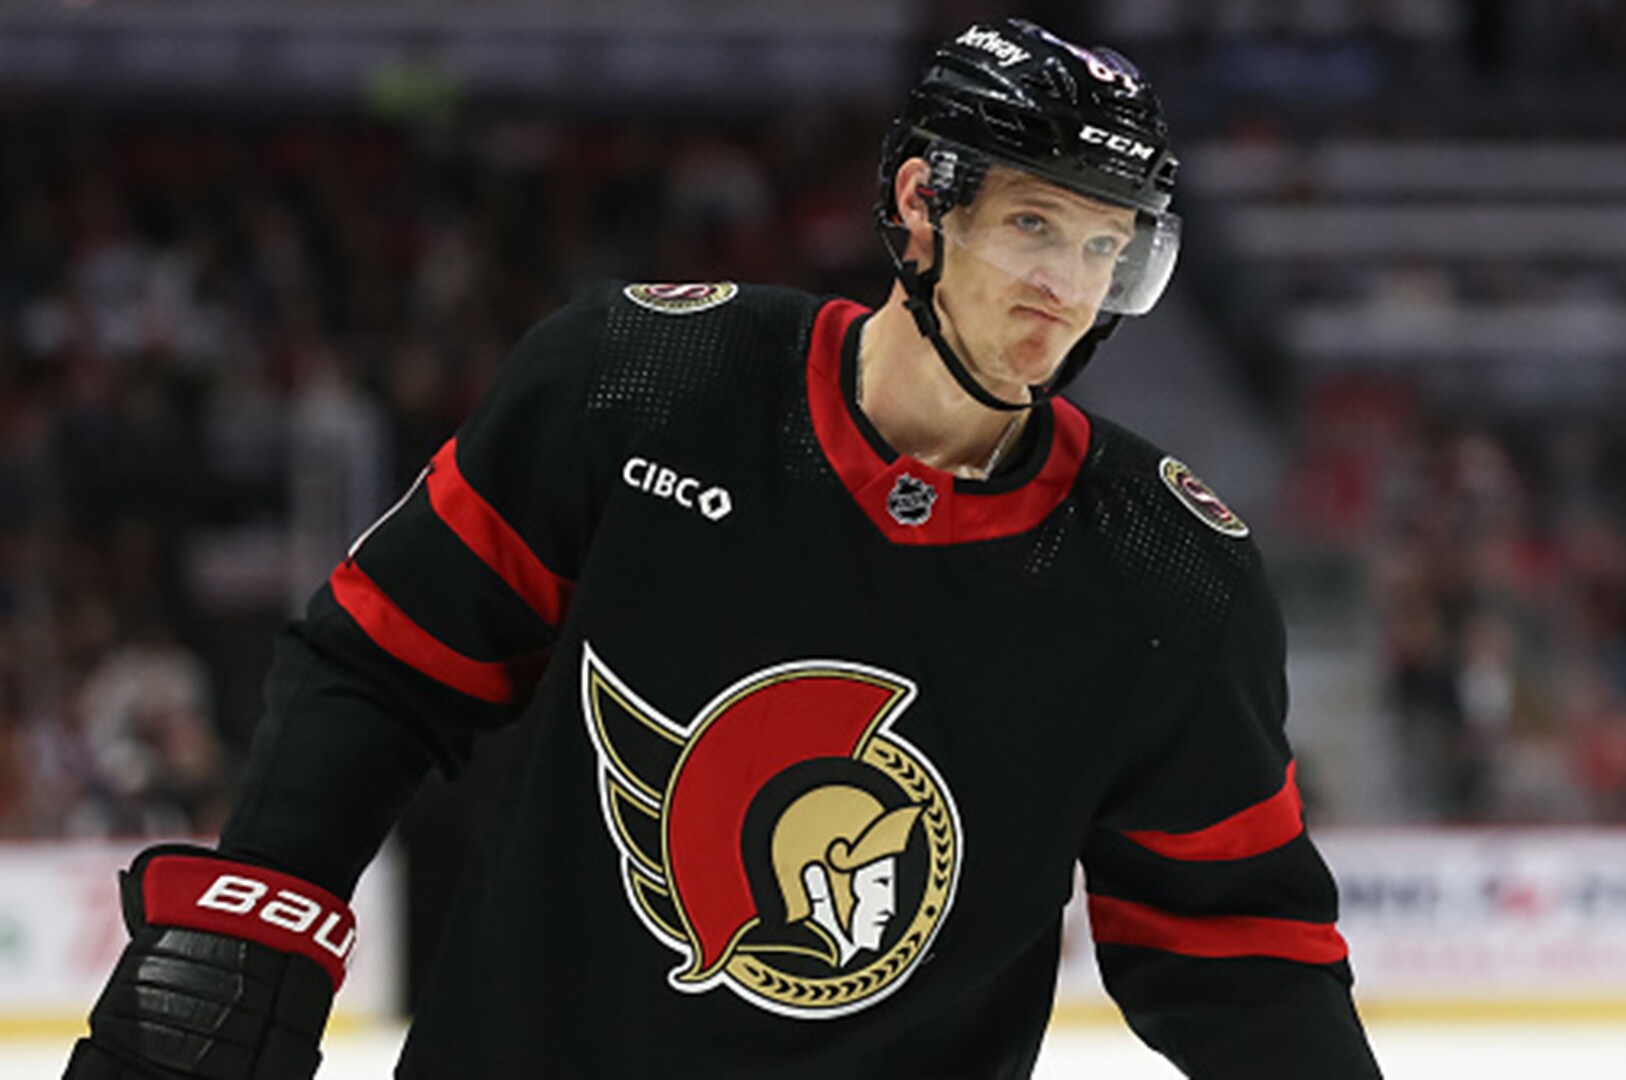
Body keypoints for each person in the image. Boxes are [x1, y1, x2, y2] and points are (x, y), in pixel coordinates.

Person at [66, 19, 1382, 1079]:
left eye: (1107, 246)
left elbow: (1241, 945)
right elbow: (386, 662)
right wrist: (261, 911)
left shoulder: (1164, 573)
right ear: (923, 204)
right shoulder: (643, 378)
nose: (1066, 287)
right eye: (1035, 224)